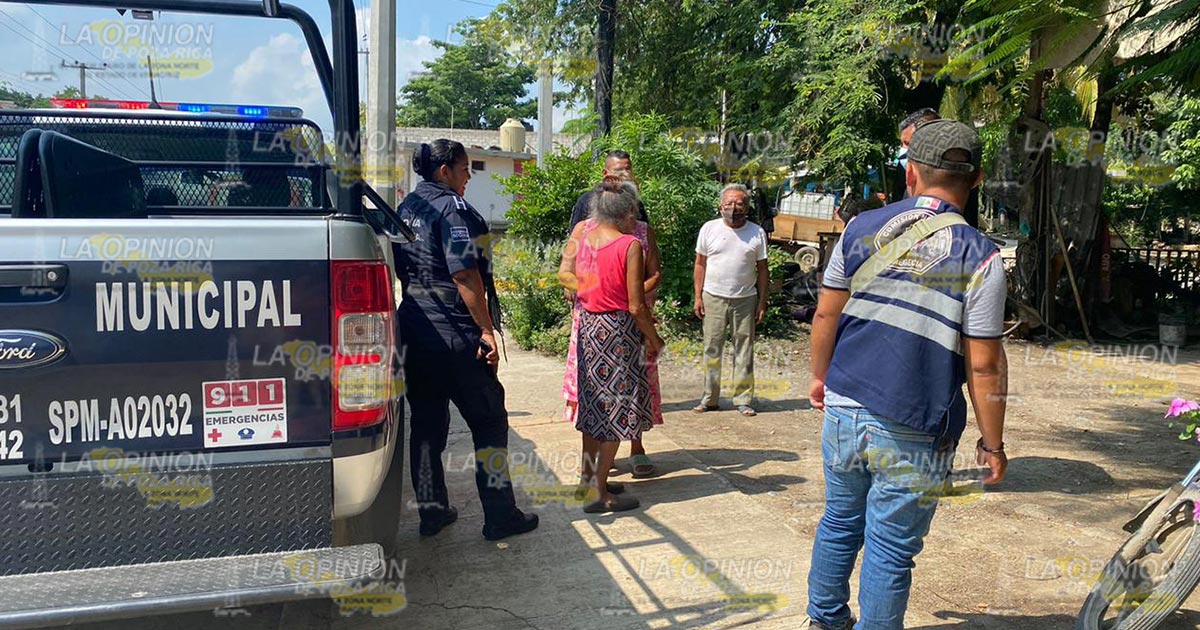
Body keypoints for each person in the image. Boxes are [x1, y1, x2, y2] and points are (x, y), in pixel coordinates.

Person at [803, 119, 1009, 630]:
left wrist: (820, 377)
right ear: (977, 178)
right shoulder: (983, 257)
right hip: (915, 419)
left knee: (839, 520)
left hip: (845, 404)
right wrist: (993, 442)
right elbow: (983, 363)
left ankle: (825, 620)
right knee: (890, 549)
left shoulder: (859, 228)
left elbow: (826, 315)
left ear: (911, 173)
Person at [393, 139, 538, 542]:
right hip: (455, 333)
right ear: (444, 171)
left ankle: (433, 512)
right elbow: (464, 275)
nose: (468, 176)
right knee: (490, 422)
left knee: (426, 426)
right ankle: (500, 516)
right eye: (463, 169)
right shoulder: (452, 209)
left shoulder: (406, 208)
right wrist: (487, 330)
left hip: (416, 333)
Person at [558, 179, 665, 513]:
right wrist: (654, 338)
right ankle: (598, 494)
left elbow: (567, 276)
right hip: (618, 332)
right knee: (618, 413)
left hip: (589, 328)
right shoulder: (630, 245)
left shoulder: (585, 239)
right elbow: (636, 305)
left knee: (593, 410)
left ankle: (591, 481)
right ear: (627, 212)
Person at [692, 183, 769, 417]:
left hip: (745, 299)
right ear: (720, 206)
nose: (734, 208)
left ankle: (743, 399)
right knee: (712, 348)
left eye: (739, 204)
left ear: (747, 207)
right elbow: (700, 264)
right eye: (729, 204)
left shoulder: (757, 233)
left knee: (744, 349)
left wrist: (763, 302)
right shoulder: (709, 229)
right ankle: (709, 398)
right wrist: (698, 295)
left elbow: (763, 270)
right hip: (713, 296)